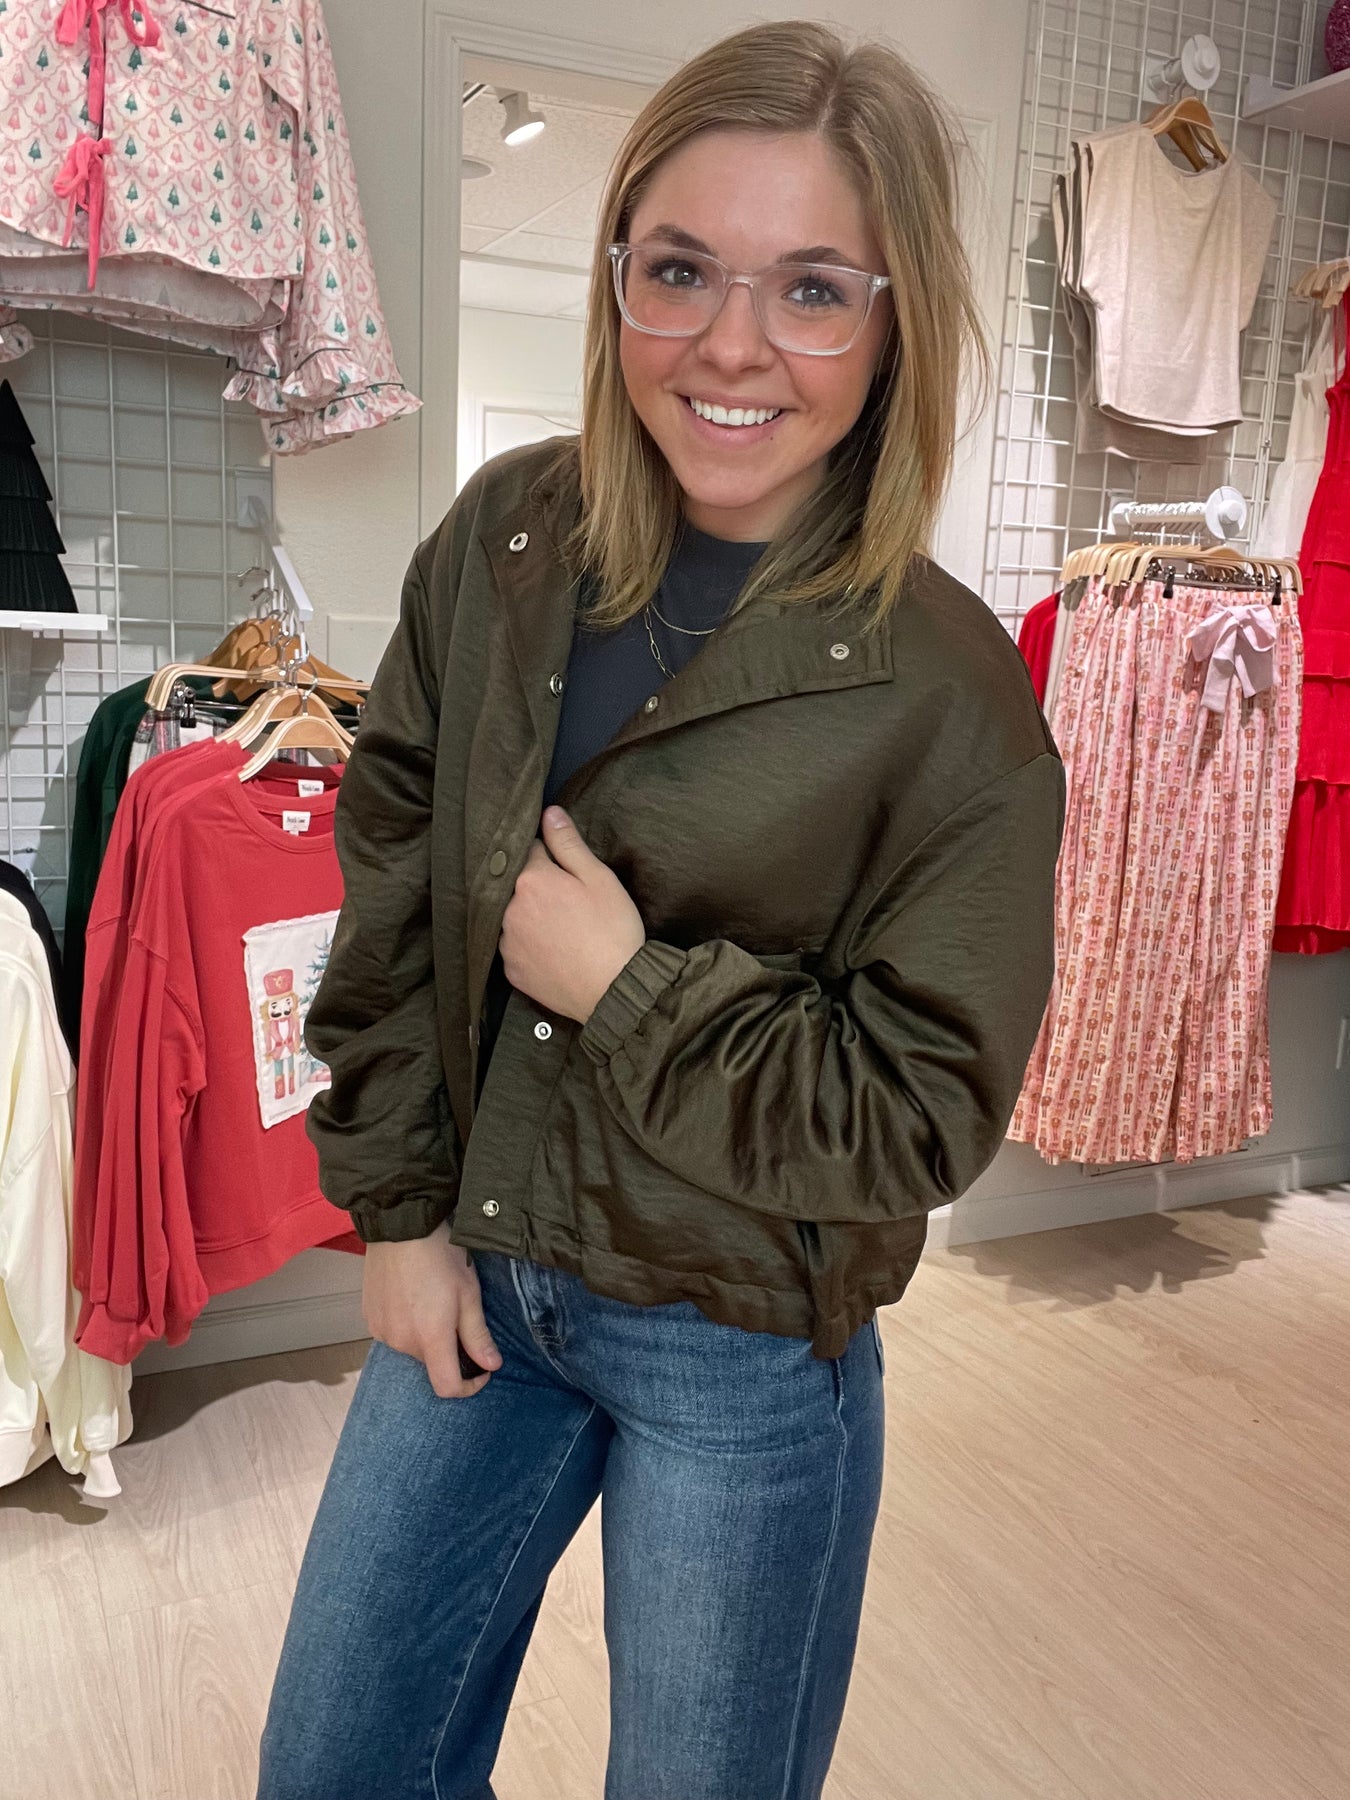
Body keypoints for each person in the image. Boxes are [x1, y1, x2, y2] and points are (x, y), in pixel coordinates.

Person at [256, 20, 1064, 1800]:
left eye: (812, 290)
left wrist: (625, 988)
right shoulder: (507, 540)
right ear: (617, 270)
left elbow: (917, 1113)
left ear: (895, 324)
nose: (730, 345)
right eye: (680, 269)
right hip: (476, 1269)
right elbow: (390, 874)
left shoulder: (949, 694)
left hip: (739, 1343)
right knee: (333, 1766)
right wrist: (396, 1212)